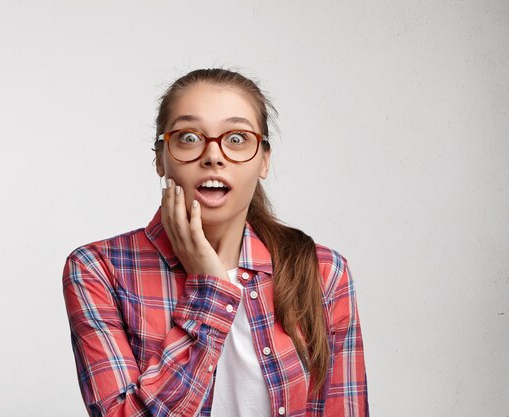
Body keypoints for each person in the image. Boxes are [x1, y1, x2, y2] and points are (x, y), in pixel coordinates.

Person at [62, 68, 369, 416]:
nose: (213, 156)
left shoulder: (323, 272)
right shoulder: (98, 269)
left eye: (237, 138)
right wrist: (209, 288)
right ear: (160, 159)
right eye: (189, 137)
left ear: (264, 160)